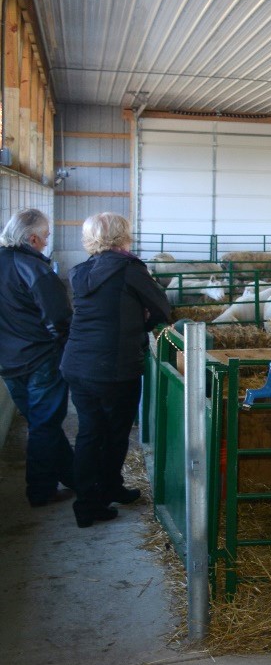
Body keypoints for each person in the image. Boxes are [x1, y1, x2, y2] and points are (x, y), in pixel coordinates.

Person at [63, 212, 171, 528]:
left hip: (77, 364)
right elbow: (162, 308)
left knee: (89, 431)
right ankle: (101, 495)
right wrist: (144, 323)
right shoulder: (130, 270)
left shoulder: (79, 271)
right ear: (123, 236)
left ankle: (90, 500)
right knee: (113, 433)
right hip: (113, 366)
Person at [0, 209, 75, 508]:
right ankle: (41, 491)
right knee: (44, 424)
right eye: (44, 238)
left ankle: (74, 475)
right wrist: (65, 347)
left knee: (41, 421)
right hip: (40, 357)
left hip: (7, 361)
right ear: (32, 238)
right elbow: (59, 318)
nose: (45, 243)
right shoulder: (34, 269)